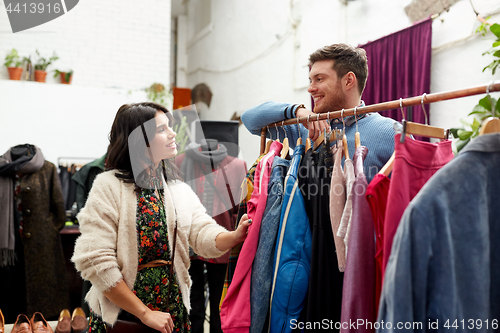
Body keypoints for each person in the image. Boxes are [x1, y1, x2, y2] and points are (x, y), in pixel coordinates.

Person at [71, 102, 251, 333]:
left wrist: (235, 236)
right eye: (161, 129)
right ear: (139, 139)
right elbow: (96, 261)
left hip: (171, 314)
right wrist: (144, 313)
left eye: (170, 126)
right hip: (124, 316)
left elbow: (201, 232)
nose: (173, 133)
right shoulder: (108, 186)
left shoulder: (175, 187)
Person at [241, 43, 395, 182]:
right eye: (310, 80)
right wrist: (296, 110)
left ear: (348, 81)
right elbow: (249, 120)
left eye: (319, 79)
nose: (310, 88)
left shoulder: (391, 133)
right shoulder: (307, 129)